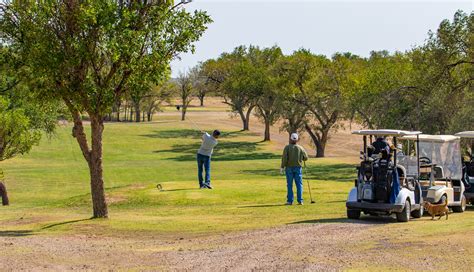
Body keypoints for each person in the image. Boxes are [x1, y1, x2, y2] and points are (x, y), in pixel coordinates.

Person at [280, 133, 308, 205]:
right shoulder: (300, 148)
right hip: (298, 168)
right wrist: (301, 158)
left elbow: (284, 158)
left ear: (290, 139)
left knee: (289, 185)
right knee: (299, 184)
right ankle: (300, 201)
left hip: (289, 168)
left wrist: (282, 167)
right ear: (297, 140)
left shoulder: (287, 147)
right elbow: (306, 158)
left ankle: (290, 201)